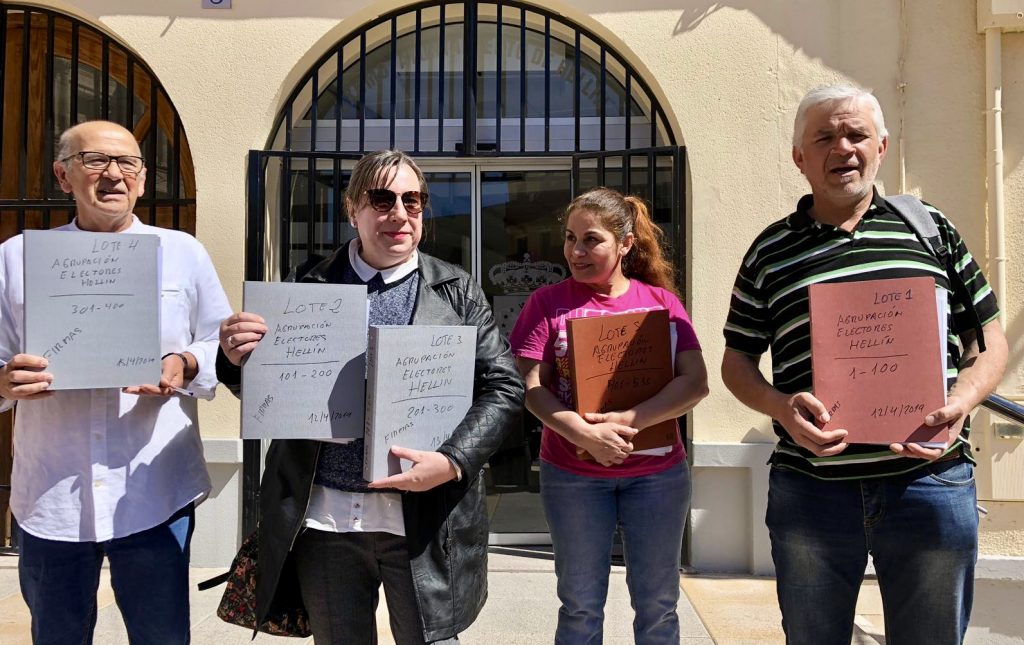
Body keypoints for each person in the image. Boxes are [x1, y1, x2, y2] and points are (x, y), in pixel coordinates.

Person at [721, 84, 1009, 644]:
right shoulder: (768, 252)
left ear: (881, 147)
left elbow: (990, 340)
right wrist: (779, 406)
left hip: (929, 481)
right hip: (813, 490)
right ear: (799, 157)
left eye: (856, 134)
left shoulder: (930, 228)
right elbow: (737, 361)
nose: (842, 148)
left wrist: (962, 402)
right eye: (824, 137)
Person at [216, 149, 524, 644]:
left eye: (412, 200)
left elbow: (504, 386)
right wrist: (234, 358)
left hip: (422, 521)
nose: (399, 213)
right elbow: (265, 393)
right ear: (352, 208)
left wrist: (453, 461)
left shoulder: (456, 290)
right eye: (382, 200)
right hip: (327, 522)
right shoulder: (306, 285)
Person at [0, 120, 231, 644]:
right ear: (63, 176)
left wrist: (185, 364)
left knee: (162, 638)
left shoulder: (182, 252)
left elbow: (218, 342)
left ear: (143, 179)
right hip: (52, 496)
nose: (113, 174)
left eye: (127, 162)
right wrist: (7, 381)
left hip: (155, 491)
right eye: (95, 160)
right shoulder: (17, 257)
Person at [508, 187, 708, 644]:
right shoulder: (546, 303)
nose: (575, 251)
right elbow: (532, 388)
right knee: (580, 606)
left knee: (658, 606)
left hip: (657, 475)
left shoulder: (661, 303)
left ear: (625, 244)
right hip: (572, 476)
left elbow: (695, 383)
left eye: (591, 239)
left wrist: (629, 421)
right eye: (570, 238)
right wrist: (582, 433)